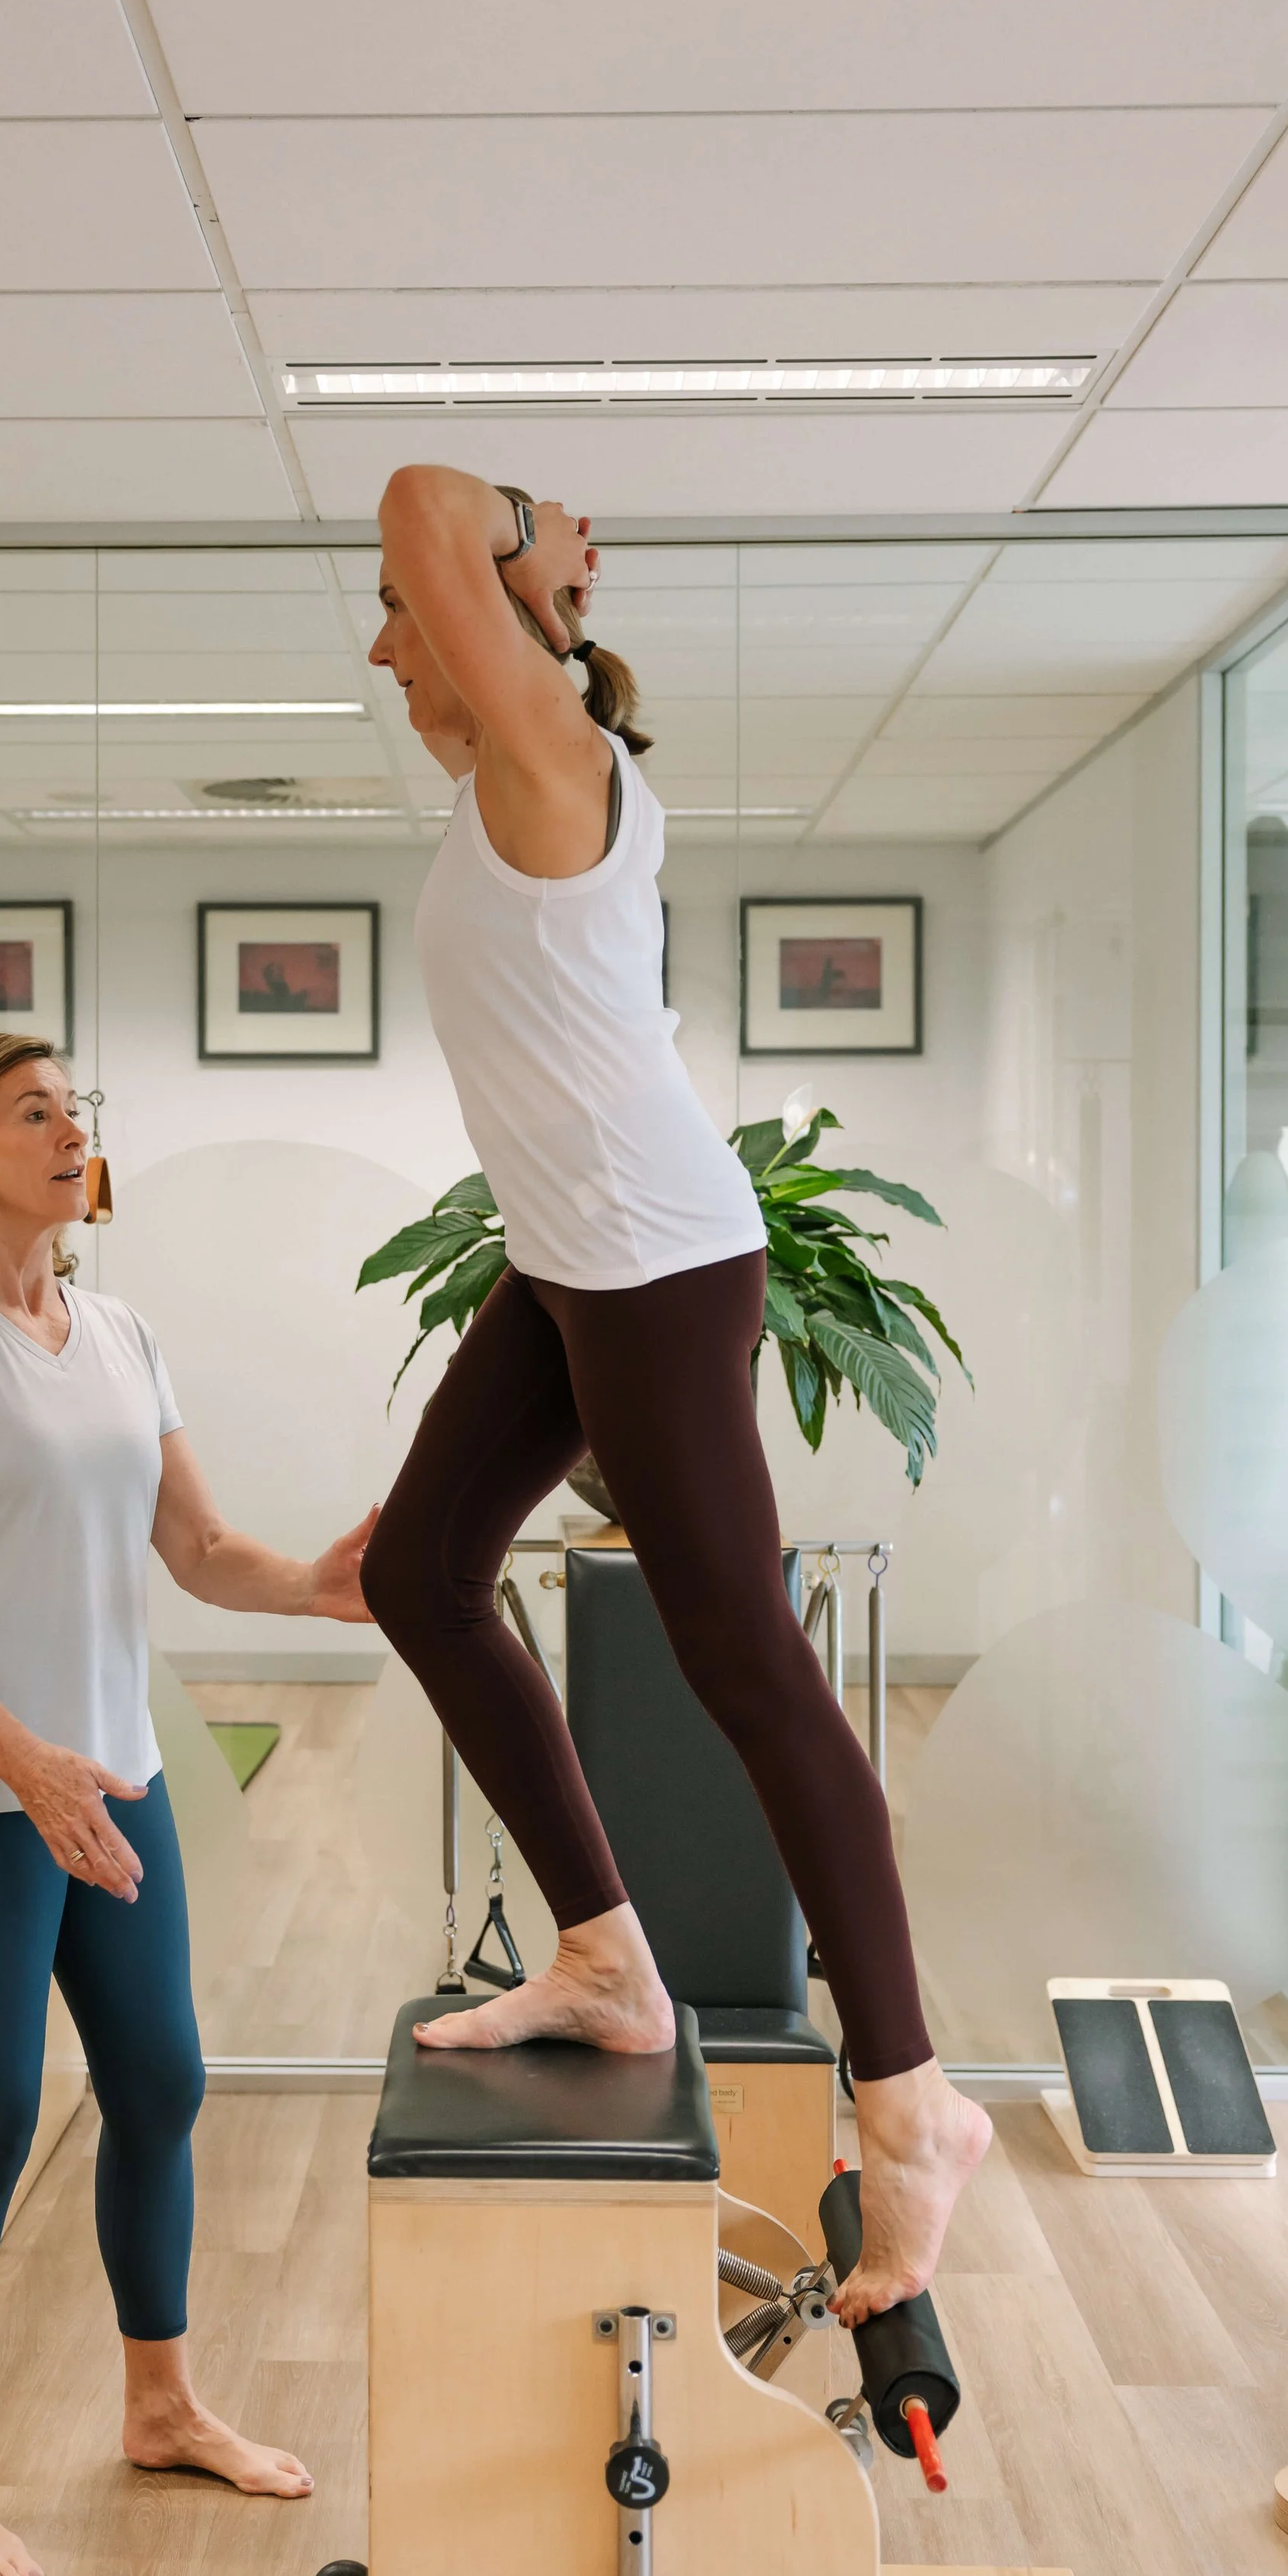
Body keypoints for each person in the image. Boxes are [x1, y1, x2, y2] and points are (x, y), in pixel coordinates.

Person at [358, 465, 989, 2324]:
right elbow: (418, 540)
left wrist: (532, 540)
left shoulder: (547, 745)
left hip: (645, 1255)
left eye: (409, 617)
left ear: (508, 625)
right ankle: (607, 1960)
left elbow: (414, 496)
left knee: (741, 1658)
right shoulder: (516, 778)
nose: (388, 642)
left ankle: (910, 2094)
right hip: (575, 1259)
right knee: (416, 1577)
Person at [0, 1031, 376, 2576]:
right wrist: (24, 1763)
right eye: (34, 1111)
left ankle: (159, 2402)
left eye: (79, 1111)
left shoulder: (119, 1332)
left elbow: (197, 1552)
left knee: (160, 2084)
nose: (70, 1132)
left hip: (113, 1779)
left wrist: (321, 1589)